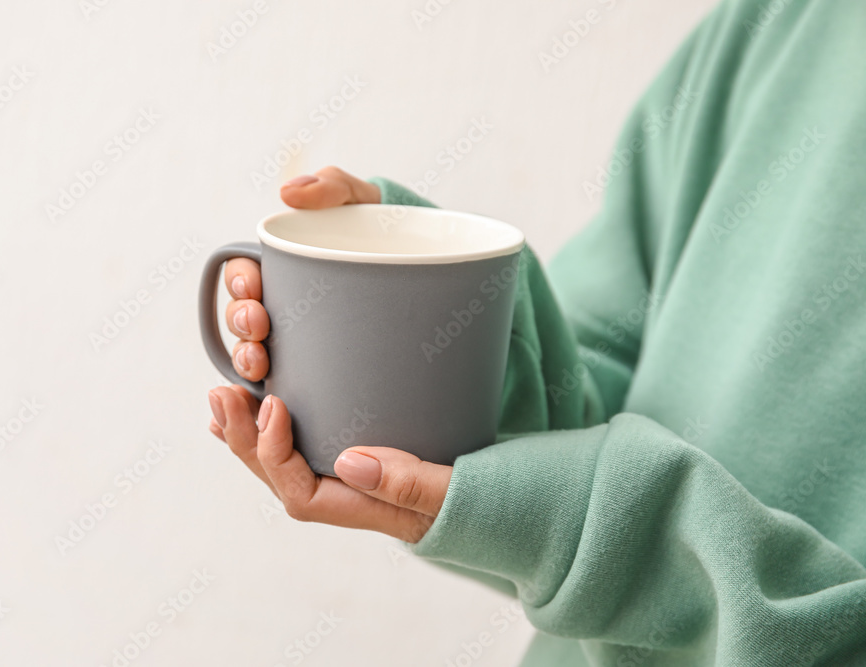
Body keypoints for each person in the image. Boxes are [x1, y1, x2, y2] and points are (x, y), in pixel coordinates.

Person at [206, 0, 866, 663]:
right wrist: (442, 336)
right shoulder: (780, 21)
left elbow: (590, 506)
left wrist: (608, 538)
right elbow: (583, 408)